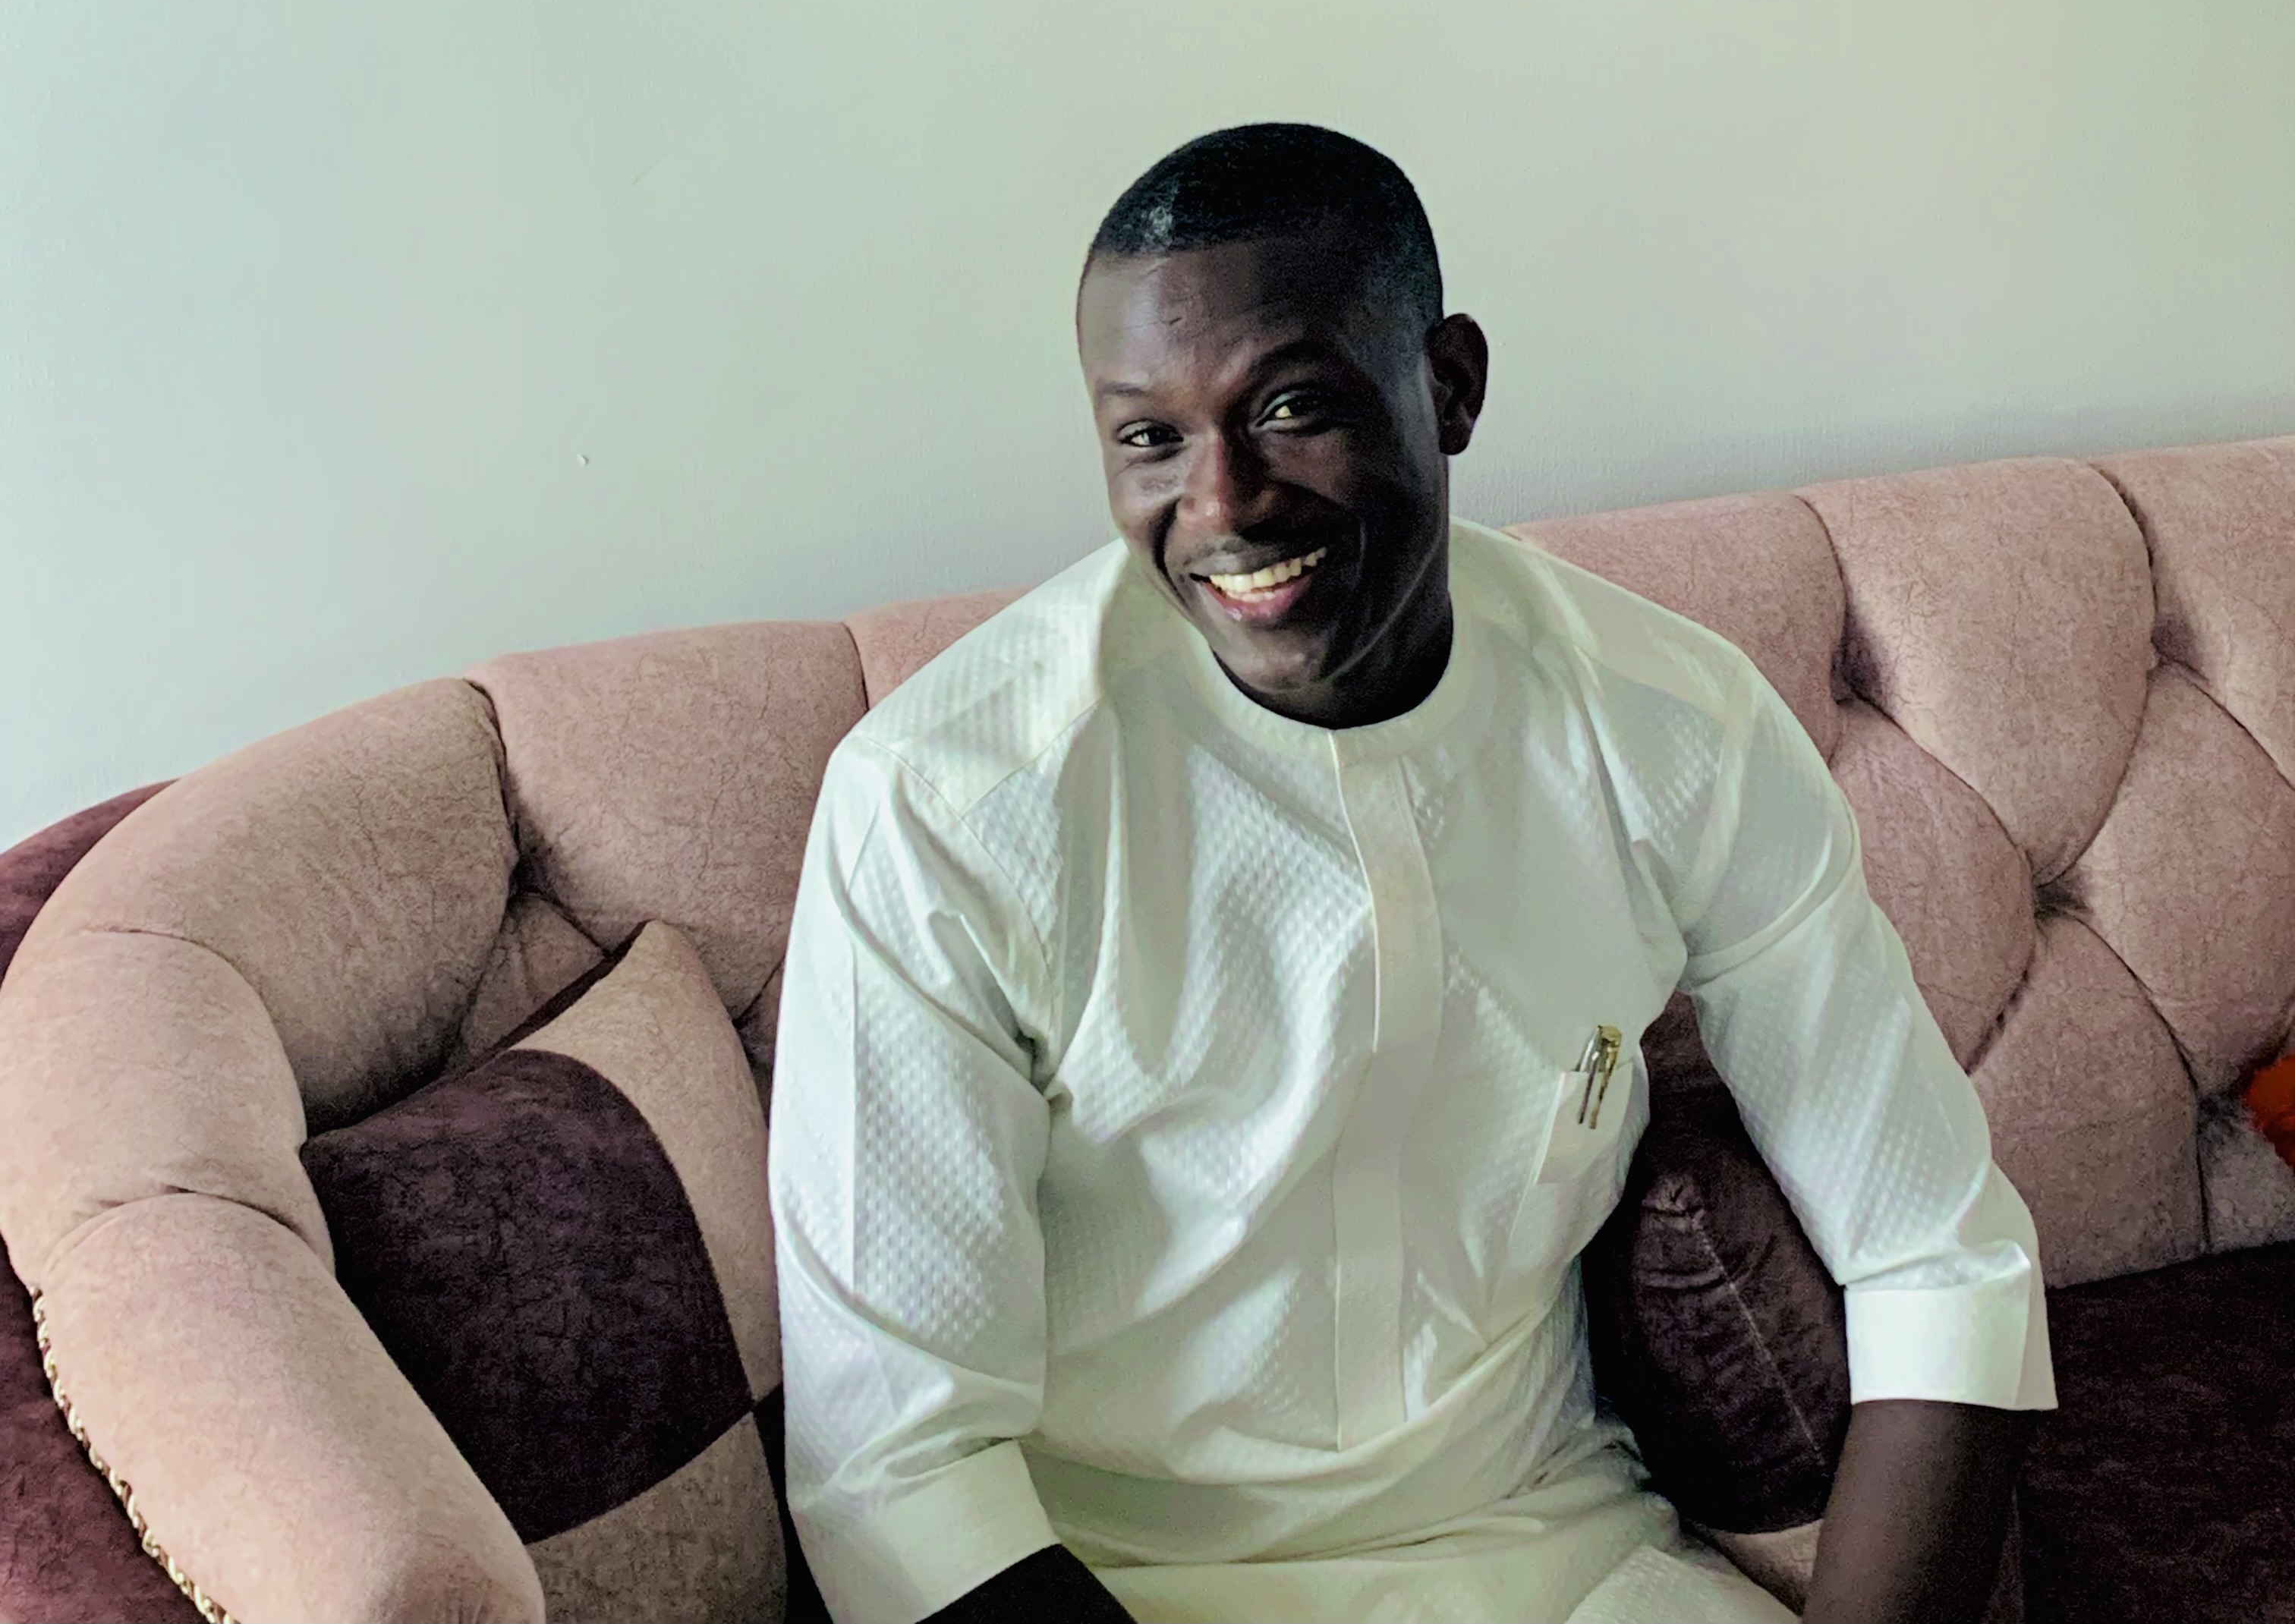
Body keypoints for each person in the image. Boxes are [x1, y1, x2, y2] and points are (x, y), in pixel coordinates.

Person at [768, 124, 2054, 1624]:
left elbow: (1937, 1259)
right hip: (1110, 1579)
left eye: (1291, 406)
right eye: (1151, 438)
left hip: (1561, 1553)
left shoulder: (1673, 728)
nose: (1223, 503)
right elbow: (901, 1472)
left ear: (1450, 385)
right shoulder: (944, 804)